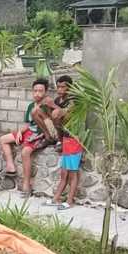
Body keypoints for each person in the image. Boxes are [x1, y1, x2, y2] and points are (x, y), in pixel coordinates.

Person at [0, 78, 51, 195]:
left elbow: (48, 127)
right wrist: (20, 132)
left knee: (25, 152)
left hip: (39, 134)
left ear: (46, 92)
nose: (37, 93)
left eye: (40, 91)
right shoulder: (31, 105)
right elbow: (28, 124)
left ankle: (27, 184)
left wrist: (38, 136)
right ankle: (11, 167)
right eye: (35, 91)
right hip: (28, 132)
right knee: (3, 139)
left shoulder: (47, 106)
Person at [49, 75, 82, 209]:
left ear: (69, 87)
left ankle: (69, 201)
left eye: (63, 86)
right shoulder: (58, 100)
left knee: (73, 174)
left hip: (74, 139)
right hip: (65, 139)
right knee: (64, 173)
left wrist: (54, 107)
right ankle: (56, 198)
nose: (60, 89)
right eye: (59, 86)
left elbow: (65, 113)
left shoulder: (74, 101)